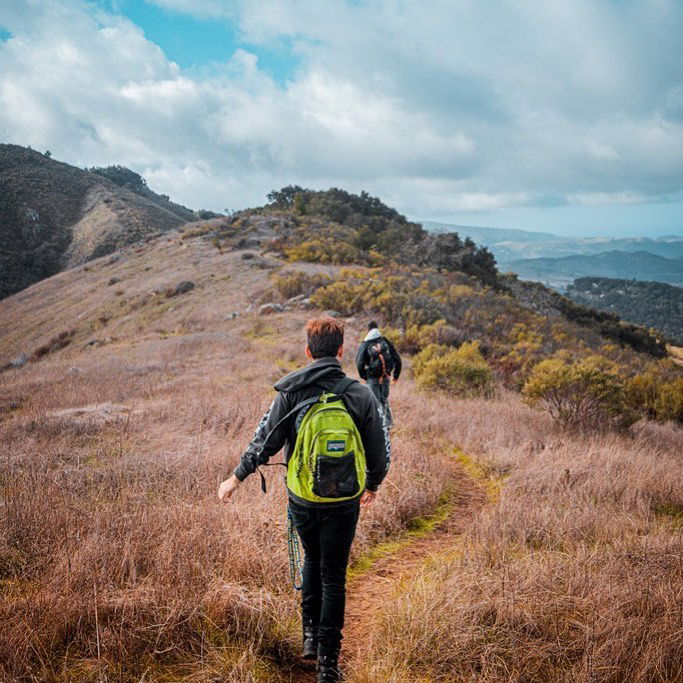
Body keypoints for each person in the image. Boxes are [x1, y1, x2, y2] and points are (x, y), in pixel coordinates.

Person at [218, 317, 390, 683]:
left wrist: (236, 477)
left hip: (303, 499)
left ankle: (310, 636)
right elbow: (379, 449)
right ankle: (328, 664)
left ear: (308, 351)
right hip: (345, 501)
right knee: (334, 576)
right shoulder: (358, 394)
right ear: (342, 351)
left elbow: (265, 441)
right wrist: (372, 484)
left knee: (312, 558)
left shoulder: (291, 391)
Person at [355, 321, 402, 429]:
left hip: (372, 378)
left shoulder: (366, 343)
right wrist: (396, 375)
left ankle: (380, 427)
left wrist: (364, 375)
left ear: (368, 330)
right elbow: (397, 359)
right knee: (383, 400)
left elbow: (359, 362)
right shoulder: (384, 340)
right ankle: (388, 425)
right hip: (385, 376)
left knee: (375, 402)